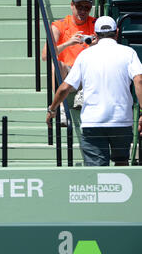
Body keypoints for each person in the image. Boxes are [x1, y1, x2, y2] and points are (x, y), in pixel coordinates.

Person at [46, 16, 142, 166]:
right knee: (122, 164)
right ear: (116, 32)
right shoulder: (128, 53)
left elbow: (65, 87)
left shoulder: (85, 55)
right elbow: (139, 81)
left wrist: (52, 109)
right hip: (122, 120)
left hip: (93, 122)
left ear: (95, 35)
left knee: (96, 170)